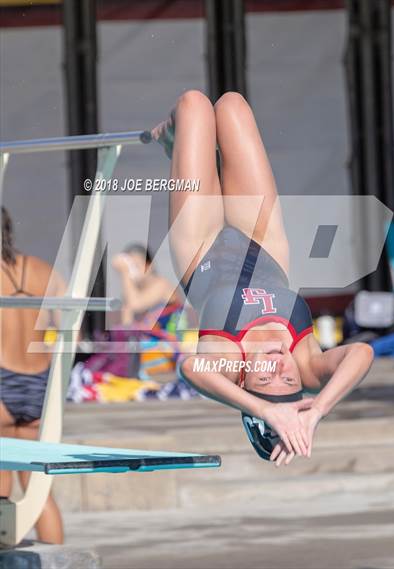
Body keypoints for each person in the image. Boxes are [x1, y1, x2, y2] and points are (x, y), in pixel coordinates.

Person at [151, 91, 374, 466]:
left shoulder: (227, 363)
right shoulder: (306, 364)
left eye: (265, 381)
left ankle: (178, 144)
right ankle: (187, 146)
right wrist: (317, 409)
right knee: (233, 106)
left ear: (245, 385)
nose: (279, 368)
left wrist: (264, 411)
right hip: (263, 244)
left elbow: (188, 368)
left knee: (193, 106)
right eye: (288, 382)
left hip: (201, 249)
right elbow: (362, 353)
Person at [0, 206, 64, 543]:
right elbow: (68, 321)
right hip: (39, 381)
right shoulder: (41, 269)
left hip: (2, 380)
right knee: (39, 490)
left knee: (1, 488)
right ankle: (60, 564)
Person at [112, 243, 181, 326]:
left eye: (136, 265)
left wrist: (124, 271)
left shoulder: (162, 285)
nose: (132, 271)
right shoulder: (133, 293)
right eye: (130, 266)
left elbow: (136, 305)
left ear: (149, 266)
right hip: (149, 336)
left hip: (171, 336)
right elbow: (127, 325)